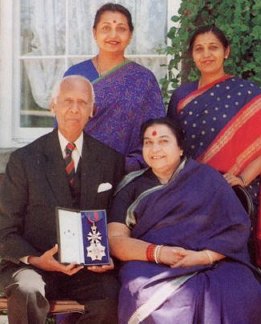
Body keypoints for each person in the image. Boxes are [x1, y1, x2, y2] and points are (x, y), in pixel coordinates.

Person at [108, 117, 261, 324]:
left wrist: (204, 257)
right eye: (148, 142)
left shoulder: (208, 178)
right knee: (141, 291)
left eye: (163, 141)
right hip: (150, 263)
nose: (155, 149)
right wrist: (160, 253)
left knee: (241, 289)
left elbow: (236, 228)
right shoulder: (131, 186)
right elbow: (116, 239)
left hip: (215, 259)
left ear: (180, 148)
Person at [0, 75, 125, 324]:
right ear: (53, 105)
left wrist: (108, 256)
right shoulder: (24, 160)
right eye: (67, 101)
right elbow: (6, 229)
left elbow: (116, 221)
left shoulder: (111, 160)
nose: (74, 109)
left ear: (92, 110)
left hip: (87, 271)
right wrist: (37, 260)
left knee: (110, 297)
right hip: (34, 265)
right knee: (27, 290)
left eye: (82, 102)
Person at [167, 25, 261, 264]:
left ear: (226, 52)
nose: (206, 54)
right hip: (190, 186)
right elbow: (171, 145)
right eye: (199, 49)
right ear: (192, 55)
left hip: (234, 189)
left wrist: (243, 179)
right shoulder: (181, 96)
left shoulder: (249, 94)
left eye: (213, 48)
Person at [64, 2, 165, 172]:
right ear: (94, 33)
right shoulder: (75, 75)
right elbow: (62, 128)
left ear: (130, 35)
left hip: (128, 171)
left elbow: (157, 129)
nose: (113, 35)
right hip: (80, 170)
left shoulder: (143, 79)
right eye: (105, 28)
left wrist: (127, 165)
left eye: (121, 28)